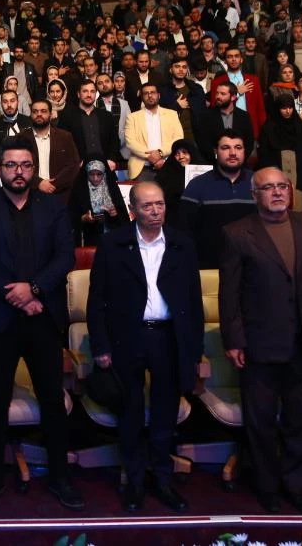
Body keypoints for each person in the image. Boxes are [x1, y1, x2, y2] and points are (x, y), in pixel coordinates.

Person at [0, 136, 82, 512]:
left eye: (25, 165)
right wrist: (13, 293)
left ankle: (60, 478)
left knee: (52, 399)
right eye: (11, 165)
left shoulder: (53, 207)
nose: (18, 171)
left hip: (43, 317)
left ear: (34, 169)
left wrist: (33, 289)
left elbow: (65, 256)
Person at [219, 168, 302, 513]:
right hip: (259, 344)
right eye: (269, 187)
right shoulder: (236, 233)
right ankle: (267, 486)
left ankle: (295, 484)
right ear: (255, 195)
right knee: (261, 421)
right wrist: (234, 340)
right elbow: (229, 294)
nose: (278, 192)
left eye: (283, 186)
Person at [88, 182, 202, 512]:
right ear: (133, 210)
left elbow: (193, 300)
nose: (155, 211)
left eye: (160, 204)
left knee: (166, 413)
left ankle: (163, 480)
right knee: (131, 412)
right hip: (128, 337)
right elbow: (97, 300)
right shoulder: (112, 243)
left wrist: (193, 350)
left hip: (169, 337)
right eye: (147, 206)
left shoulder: (182, 243)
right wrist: (101, 346)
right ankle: (135, 482)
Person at [180, 132, 256, 269]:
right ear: (216, 152)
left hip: (254, 266)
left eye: (238, 147)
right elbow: (185, 230)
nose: (233, 153)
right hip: (210, 266)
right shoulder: (197, 185)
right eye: (226, 148)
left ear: (245, 151)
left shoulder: (259, 183)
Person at [256, 95, 302, 210]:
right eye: (284, 108)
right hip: (275, 180)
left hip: (298, 180)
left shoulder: (299, 127)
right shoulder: (268, 128)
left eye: (290, 107)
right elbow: (264, 157)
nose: (288, 111)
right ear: (277, 109)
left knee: (297, 213)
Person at [123, 83, 183, 180]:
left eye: (152, 92)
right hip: (142, 168)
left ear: (158, 95)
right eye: (146, 93)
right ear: (142, 97)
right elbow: (130, 142)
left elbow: (178, 138)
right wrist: (151, 157)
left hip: (167, 165)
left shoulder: (172, 114)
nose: (150, 95)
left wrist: (160, 153)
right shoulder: (132, 117)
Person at [67, 160, 128, 246]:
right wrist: (83, 218)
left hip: (111, 234)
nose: (95, 178)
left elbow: (123, 217)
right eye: (91, 174)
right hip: (89, 236)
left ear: (104, 174)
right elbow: (70, 216)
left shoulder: (112, 189)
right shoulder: (79, 190)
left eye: (99, 174)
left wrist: (115, 213)